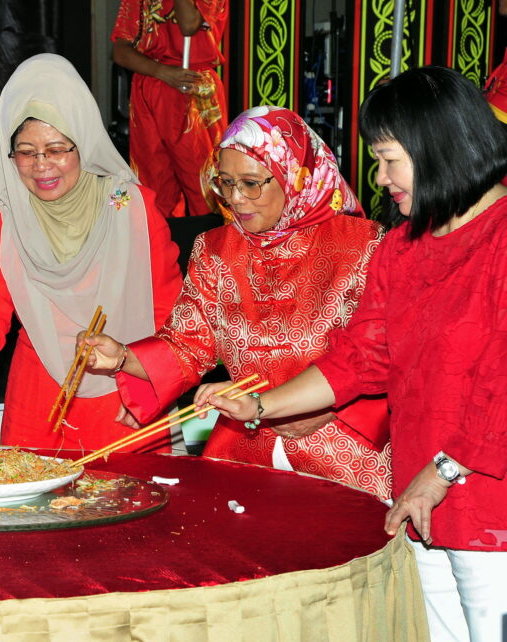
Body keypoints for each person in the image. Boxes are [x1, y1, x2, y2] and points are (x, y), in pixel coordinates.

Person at [201, 67, 507, 642]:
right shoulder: (403, 247)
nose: (380, 177)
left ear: (438, 145)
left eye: (390, 160)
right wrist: (260, 407)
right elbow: (360, 358)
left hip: (490, 504)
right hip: (419, 502)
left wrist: (441, 473)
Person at [81, 106, 392, 497]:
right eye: (225, 183)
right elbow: (188, 345)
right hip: (246, 448)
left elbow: (391, 355)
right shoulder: (216, 249)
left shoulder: (364, 246)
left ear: (294, 175)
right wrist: (123, 357)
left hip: (344, 452)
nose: (236, 199)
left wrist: (334, 407)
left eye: (251, 183)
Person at [0, 54, 184, 452]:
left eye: (57, 149)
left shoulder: (130, 207)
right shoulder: (7, 218)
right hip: (39, 399)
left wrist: (148, 384)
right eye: (26, 152)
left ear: (83, 142)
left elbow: (170, 310)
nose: (41, 166)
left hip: (124, 395)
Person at [111, 0, 228, 218]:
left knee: (202, 184)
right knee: (153, 181)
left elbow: (189, 24)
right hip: (149, 84)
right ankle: (162, 236)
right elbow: (120, 51)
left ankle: (210, 237)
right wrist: (161, 71)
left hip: (192, 86)